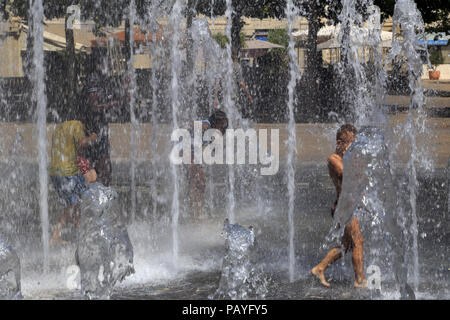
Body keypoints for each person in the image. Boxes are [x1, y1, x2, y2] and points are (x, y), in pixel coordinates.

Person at [311, 124, 367, 288]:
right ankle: (360, 279)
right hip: (343, 207)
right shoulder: (333, 159)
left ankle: (320, 268)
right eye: (350, 143)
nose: (353, 148)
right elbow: (346, 174)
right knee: (358, 241)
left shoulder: (350, 159)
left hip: (350, 206)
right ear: (339, 142)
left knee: (347, 245)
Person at [49, 119, 98, 246]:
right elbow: (82, 142)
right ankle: (83, 233)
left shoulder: (59, 127)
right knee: (86, 197)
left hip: (55, 172)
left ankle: (57, 235)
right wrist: (92, 138)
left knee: (72, 204)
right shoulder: (77, 125)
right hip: (68, 171)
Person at [188, 110, 228, 219]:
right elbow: (191, 125)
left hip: (193, 153)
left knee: (199, 184)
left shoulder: (214, 131)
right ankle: (194, 214)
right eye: (221, 124)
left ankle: (196, 212)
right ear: (215, 122)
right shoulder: (207, 125)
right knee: (199, 182)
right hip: (186, 152)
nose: (223, 127)